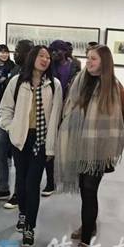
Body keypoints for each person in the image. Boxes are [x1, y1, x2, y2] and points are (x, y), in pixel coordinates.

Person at [54, 45, 124, 247]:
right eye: (88, 58)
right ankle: (89, 225)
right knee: (84, 190)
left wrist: (106, 134)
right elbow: (70, 106)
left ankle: (85, 245)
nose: (89, 62)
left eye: (93, 58)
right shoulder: (81, 81)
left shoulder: (114, 87)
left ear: (104, 61)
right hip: (78, 144)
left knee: (89, 189)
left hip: (99, 149)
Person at [0, 46, 63, 247]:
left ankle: (29, 227)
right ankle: (23, 214)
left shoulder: (54, 85)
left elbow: (55, 118)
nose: (45, 59)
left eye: (48, 57)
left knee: (32, 184)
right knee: (21, 180)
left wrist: (51, 147)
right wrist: (11, 128)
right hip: (20, 138)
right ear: (32, 58)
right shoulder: (17, 82)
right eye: (41, 56)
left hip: (41, 139)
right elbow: (5, 109)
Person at [0, 39, 33, 208]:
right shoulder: (14, 69)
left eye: (18, 50)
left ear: (27, 53)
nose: (14, 53)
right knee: (0, 153)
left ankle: (19, 194)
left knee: (20, 160)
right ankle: (3, 188)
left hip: (21, 122)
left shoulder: (32, 74)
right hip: (5, 119)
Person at [43, 40, 80, 197]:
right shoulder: (49, 67)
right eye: (52, 51)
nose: (54, 53)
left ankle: (68, 178)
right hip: (51, 108)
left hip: (69, 110)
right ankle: (50, 182)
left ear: (64, 51)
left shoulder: (74, 67)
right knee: (50, 145)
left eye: (57, 50)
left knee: (66, 146)